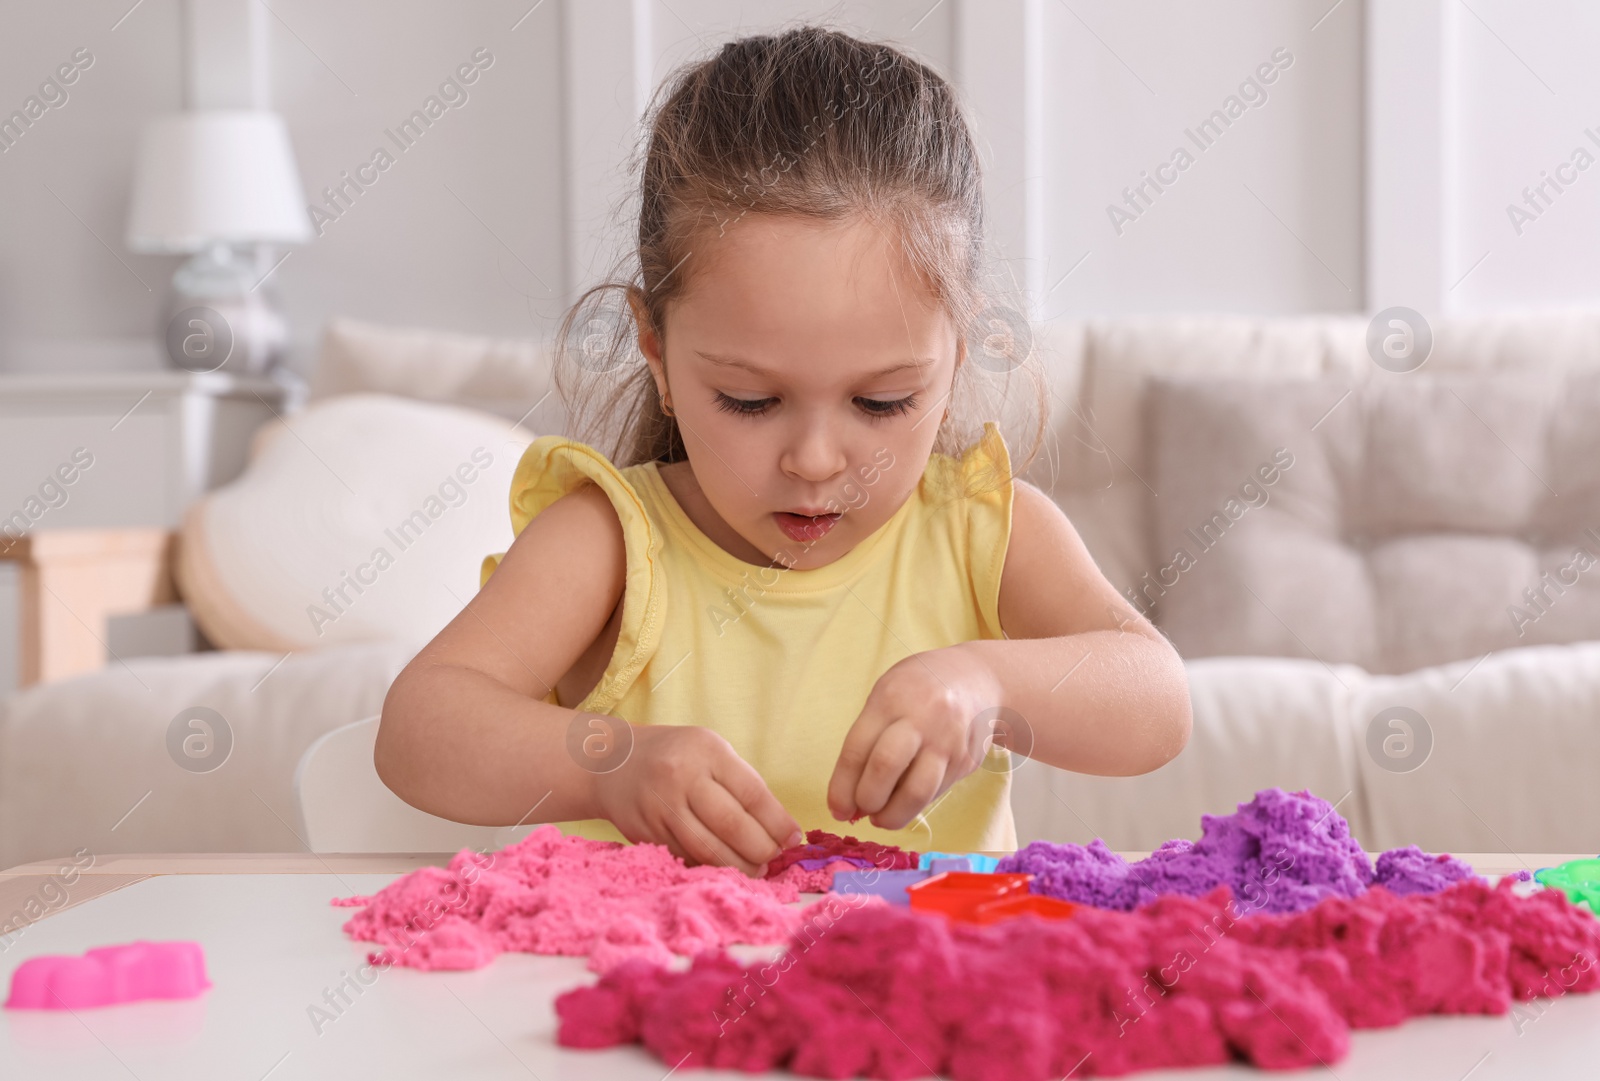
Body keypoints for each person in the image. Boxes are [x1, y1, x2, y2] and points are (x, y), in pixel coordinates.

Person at [376, 26, 1191, 876]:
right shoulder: (611, 541)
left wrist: (988, 684)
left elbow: (1157, 703)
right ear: (655, 352)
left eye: (882, 402)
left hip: (922, 992)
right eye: (750, 400)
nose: (813, 459)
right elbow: (421, 726)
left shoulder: (986, 533)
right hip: (650, 989)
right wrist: (609, 761)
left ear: (956, 354)